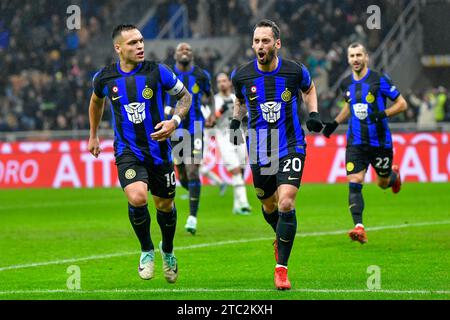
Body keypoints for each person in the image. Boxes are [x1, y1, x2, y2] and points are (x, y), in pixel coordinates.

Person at [88, 24, 192, 283]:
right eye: (133, 43)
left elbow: (185, 97)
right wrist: (93, 134)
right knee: (137, 198)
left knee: (165, 206)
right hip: (128, 150)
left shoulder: (158, 72)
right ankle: (146, 250)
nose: (140, 46)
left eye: (141, 41)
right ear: (118, 48)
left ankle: (167, 250)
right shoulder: (104, 78)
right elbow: (96, 101)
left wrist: (174, 123)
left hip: (159, 151)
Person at [230, 19, 323, 290]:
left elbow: (309, 88)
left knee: (286, 203)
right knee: (268, 205)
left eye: (266, 41)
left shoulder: (294, 71)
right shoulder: (242, 75)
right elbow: (239, 98)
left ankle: (281, 269)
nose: (260, 45)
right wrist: (236, 121)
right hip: (259, 148)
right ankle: (280, 237)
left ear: (277, 44)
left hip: (290, 144)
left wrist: (314, 113)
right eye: (257, 41)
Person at [322, 42, 407, 244]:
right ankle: (359, 227)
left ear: (366, 57)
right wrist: (334, 123)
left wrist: (382, 113)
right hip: (356, 143)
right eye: (352, 56)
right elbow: (349, 107)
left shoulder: (379, 79)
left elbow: (402, 104)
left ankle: (393, 177)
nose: (356, 59)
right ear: (348, 59)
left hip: (380, 143)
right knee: (355, 181)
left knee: (382, 183)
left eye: (359, 55)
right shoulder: (345, 83)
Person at [165, 42, 216, 235]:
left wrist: (211, 113)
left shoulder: (201, 75)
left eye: (188, 49)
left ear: (192, 55)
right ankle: (193, 189)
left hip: (195, 127)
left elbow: (209, 95)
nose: (185, 52)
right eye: (181, 49)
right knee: (183, 174)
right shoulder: (168, 75)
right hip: (174, 128)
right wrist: (166, 112)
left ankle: (192, 217)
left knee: (193, 170)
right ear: (175, 54)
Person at [214, 72, 252, 215]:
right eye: (219, 81)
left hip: (239, 135)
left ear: (229, 83)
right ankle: (244, 203)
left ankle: (237, 205)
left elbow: (246, 116)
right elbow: (209, 122)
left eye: (224, 81)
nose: (222, 83)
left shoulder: (236, 98)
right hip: (223, 137)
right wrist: (220, 111)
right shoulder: (215, 101)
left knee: (240, 170)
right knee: (235, 170)